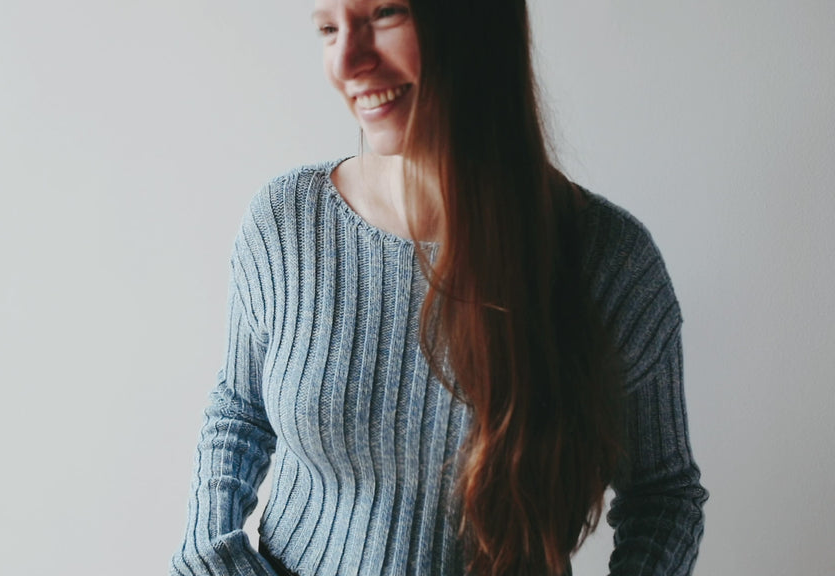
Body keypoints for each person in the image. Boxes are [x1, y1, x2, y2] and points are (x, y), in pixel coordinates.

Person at [169, 1, 707, 575]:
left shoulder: (608, 262)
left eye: (386, 13)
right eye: (328, 28)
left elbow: (662, 495)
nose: (345, 62)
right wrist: (211, 556)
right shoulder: (287, 224)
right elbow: (240, 410)